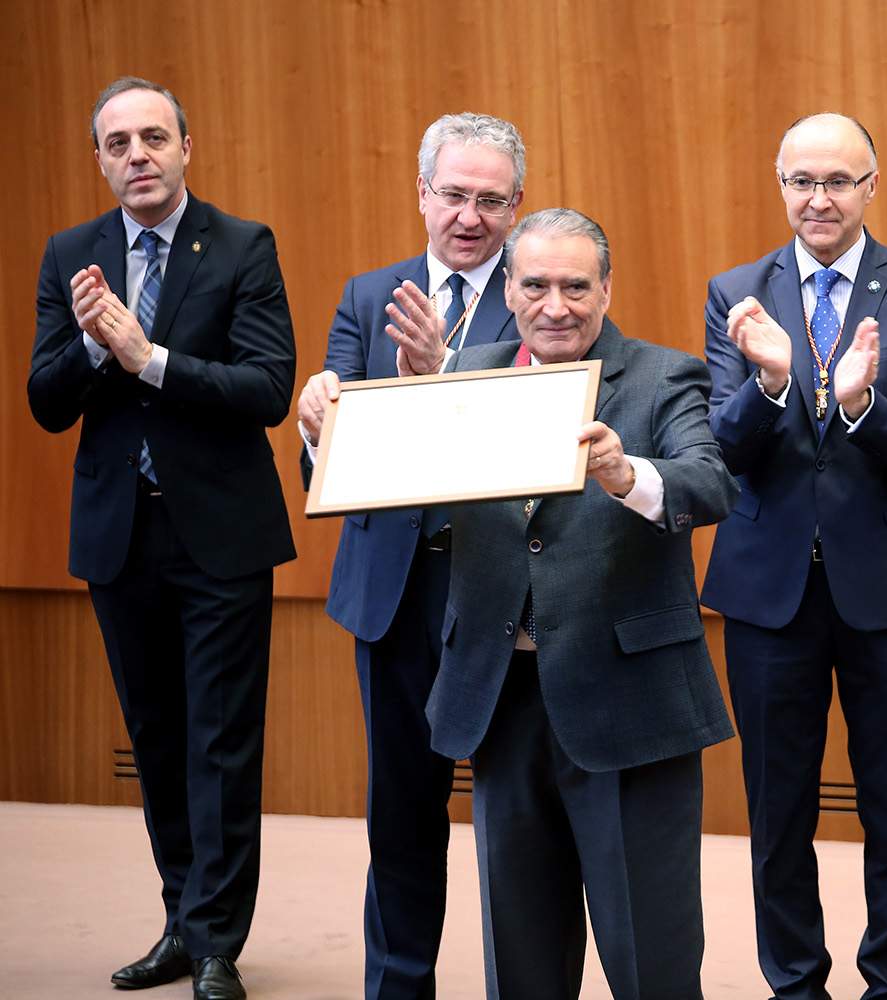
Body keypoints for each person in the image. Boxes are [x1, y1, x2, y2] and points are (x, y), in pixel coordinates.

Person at [419, 208, 737, 1000]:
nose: (555, 306)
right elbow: (387, 475)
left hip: (630, 702)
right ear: (508, 290)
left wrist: (629, 476)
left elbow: (711, 482)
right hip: (501, 696)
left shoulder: (665, 375)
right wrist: (322, 432)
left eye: (575, 286)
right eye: (535, 286)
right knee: (520, 950)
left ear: (606, 290)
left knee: (651, 958)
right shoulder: (465, 374)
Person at [27, 77, 296, 1000]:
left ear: (187, 147)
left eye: (153, 137)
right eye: (119, 143)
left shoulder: (243, 245)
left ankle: (218, 940)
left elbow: (267, 388)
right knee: (156, 736)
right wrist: (94, 346)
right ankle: (182, 922)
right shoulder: (73, 254)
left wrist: (151, 360)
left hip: (220, 533)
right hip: (120, 536)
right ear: (100, 161)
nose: (137, 155)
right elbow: (46, 402)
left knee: (221, 741)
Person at [700, 113, 887, 1000]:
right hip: (767, 593)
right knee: (777, 813)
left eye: (838, 181)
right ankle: (795, 986)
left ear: (870, 187)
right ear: (780, 184)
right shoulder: (737, 293)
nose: (819, 199)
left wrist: (861, 409)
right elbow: (722, 448)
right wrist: (772, 383)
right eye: (802, 181)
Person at [294, 112, 524, 1000]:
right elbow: (333, 460)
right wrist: (316, 431)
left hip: (502, 591)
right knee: (400, 814)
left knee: (519, 819)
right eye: (454, 194)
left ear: (516, 206)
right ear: (423, 194)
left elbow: (528, 440)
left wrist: (440, 381)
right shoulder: (369, 294)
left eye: (491, 200)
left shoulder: (541, 294)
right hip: (393, 590)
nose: (470, 216)